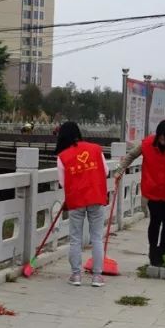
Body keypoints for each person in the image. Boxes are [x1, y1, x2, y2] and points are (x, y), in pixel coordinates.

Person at [115, 120, 165, 267]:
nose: (162, 140)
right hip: (153, 190)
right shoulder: (147, 143)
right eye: (161, 137)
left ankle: (162, 250)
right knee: (155, 221)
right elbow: (130, 156)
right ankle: (153, 251)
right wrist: (120, 170)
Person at [56, 122, 110, 287]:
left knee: (75, 238)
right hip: (96, 197)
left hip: (76, 200)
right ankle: (97, 276)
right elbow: (106, 171)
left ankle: (76, 275)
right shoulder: (96, 149)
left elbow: (62, 182)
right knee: (97, 237)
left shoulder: (63, 156)